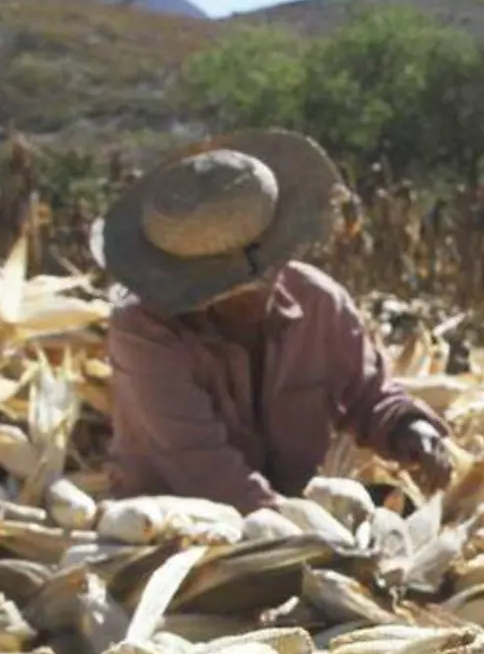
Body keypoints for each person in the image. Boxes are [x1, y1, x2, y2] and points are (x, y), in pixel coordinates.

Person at [91, 129, 451, 515]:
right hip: (171, 523)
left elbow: (368, 394)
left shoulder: (319, 302)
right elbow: (200, 463)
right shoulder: (144, 329)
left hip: (291, 512)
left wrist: (408, 427)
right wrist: (293, 525)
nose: (242, 296)